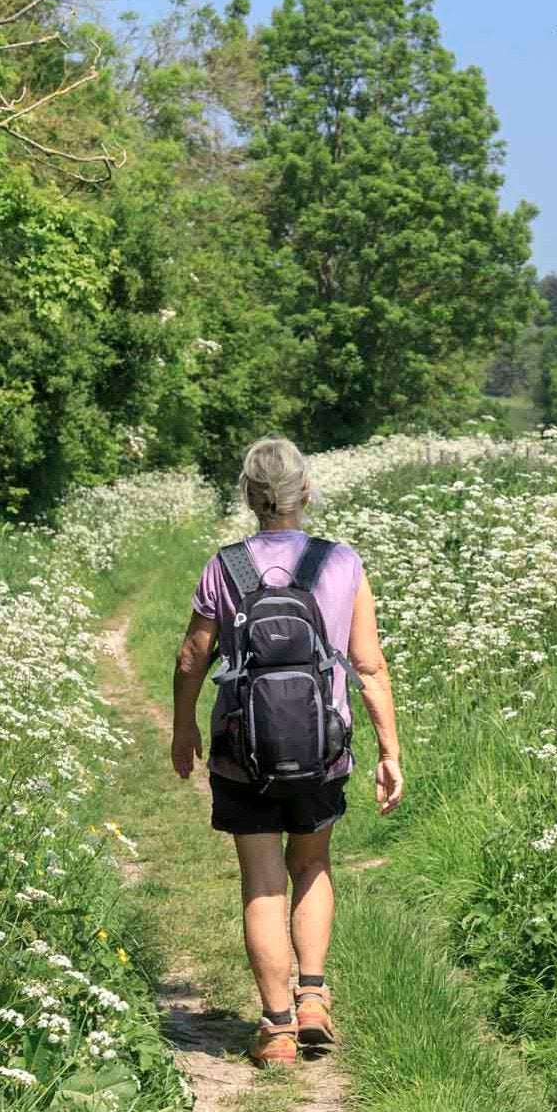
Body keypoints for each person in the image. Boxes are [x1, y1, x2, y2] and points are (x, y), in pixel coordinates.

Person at [172, 437, 404, 1066]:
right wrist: (389, 749)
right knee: (312, 865)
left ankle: (275, 1030)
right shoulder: (341, 562)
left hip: (241, 751)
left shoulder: (225, 566)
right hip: (321, 747)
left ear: (250, 496)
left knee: (262, 883)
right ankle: (313, 1000)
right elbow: (368, 664)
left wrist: (183, 726)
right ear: (306, 492)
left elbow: (195, 656)